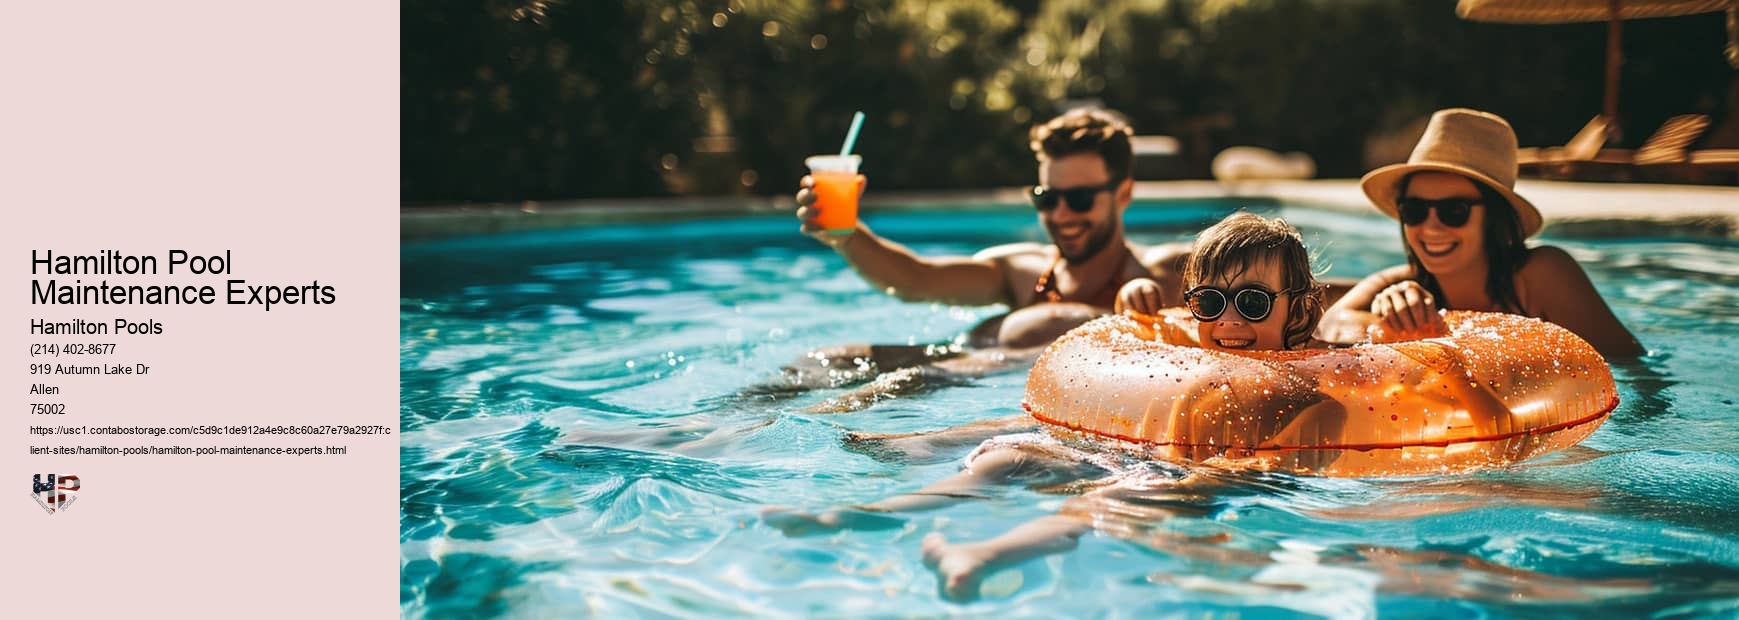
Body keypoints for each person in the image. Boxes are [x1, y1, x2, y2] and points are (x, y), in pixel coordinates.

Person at [768, 213, 1426, 600]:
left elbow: (1328, 419)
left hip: (1239, 477)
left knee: (1123, 492)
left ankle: (986, 557)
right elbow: (1150, 357)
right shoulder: (1189, 353)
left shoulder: (1310, 370)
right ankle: (868, 516)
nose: (1228, 322)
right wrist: (1141, 299)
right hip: (1156, 450)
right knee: (1012, 455)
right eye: (1209, 302)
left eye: (1252, 303)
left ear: (1300, 310)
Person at [763, 108, 1192, 412]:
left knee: (905, 383)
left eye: (1079, 198)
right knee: (830, 358)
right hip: (963, 360)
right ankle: (714, 425)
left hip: (983, 379)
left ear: (1123, 194)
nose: (1061, 215)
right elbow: (917, 280)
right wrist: (847, 236)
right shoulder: (1021, 270)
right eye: (1047, 198)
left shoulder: (1163, 274)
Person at [1318, 108, 1644, 357]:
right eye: (1415, 210)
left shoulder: (1541, 275)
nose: (1431, 227)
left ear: (1493, 218)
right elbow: (1330, 326)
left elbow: (1633, 369)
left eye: (1453, 211)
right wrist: (1392, 320)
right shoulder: (1398, 284)